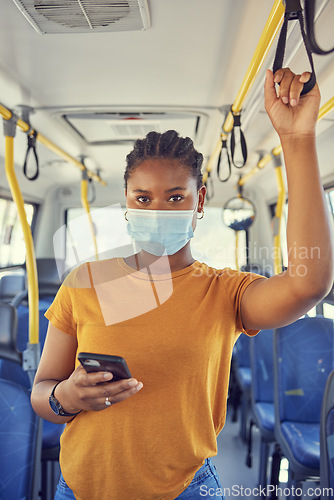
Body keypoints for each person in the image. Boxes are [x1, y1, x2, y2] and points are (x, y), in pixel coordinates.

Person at [31, 68, 333, 500]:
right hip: (81, 487)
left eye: (176, 197)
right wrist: (69, 396)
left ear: (201, 201)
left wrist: (299, 140)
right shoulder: (84, 283)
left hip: (186, 489)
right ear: (127, 205)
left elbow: (309, 285)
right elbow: (42, 394)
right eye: (143, 198)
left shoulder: (224, 293)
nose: (158, 209)